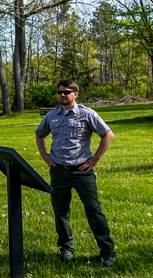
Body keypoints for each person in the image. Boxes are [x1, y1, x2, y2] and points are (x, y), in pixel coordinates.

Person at [35, 79, 116, 266]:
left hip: (82, 171)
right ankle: (66, 249)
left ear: (75, 94)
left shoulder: (87, 114)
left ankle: (107, 252)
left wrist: (94, 159)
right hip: (58, 171)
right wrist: (45, 156)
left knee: (94, 210)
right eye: (60, 92)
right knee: (60, 211)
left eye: (66, 92)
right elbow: (39, 134)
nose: (62, 95)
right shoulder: (51, 116)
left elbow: (107, 134)